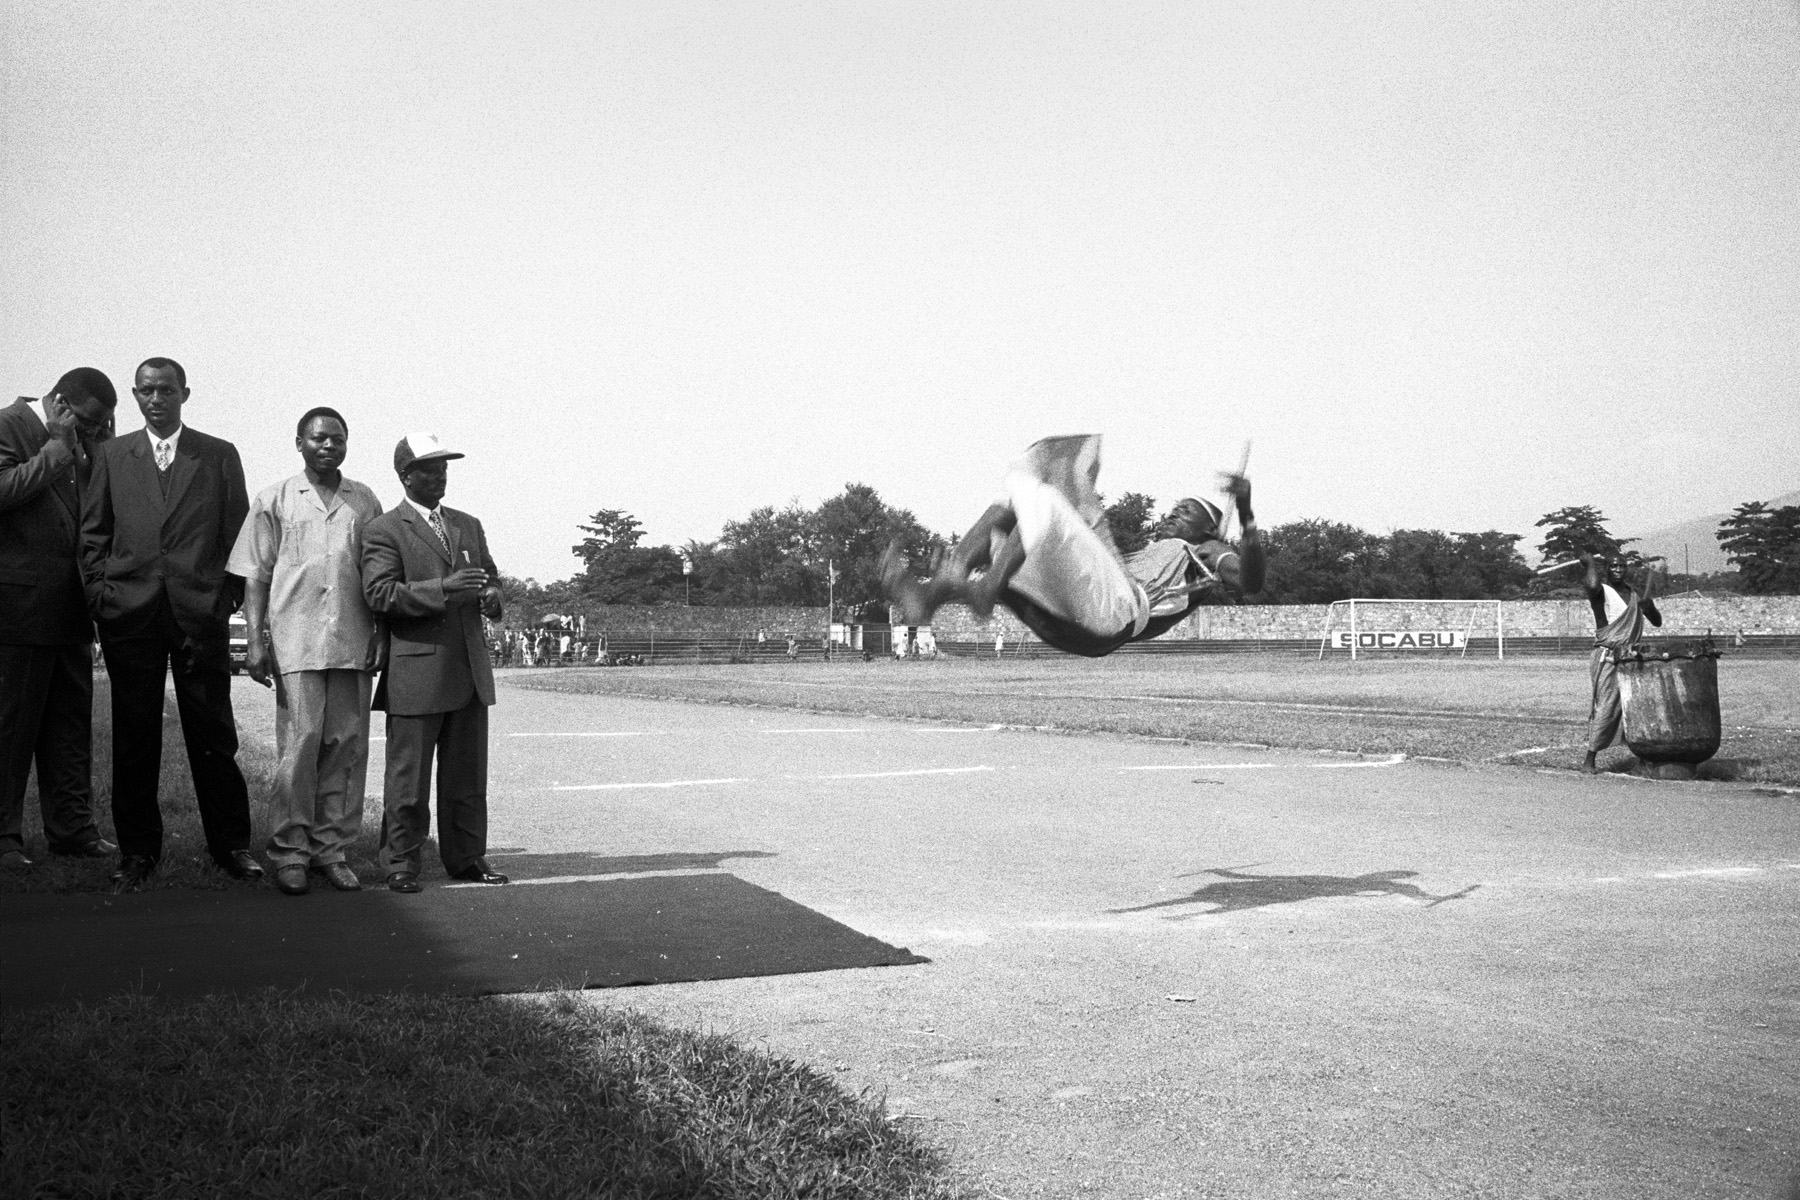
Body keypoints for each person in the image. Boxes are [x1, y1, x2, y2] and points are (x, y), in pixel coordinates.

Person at [81, 357, 259, 888]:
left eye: (166, 390)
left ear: (185, 392)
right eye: (146, 391)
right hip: (129, 614)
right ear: (135, 396)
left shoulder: (218, 455)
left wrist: (221, 601)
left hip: (197, 615)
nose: (156, 399)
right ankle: (137, 852)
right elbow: (93, 534)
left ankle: (231, 845)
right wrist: (102, 596)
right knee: (135, 736)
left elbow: (238, 540)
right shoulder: (112, 455)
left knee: (213, 733)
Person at [883, 434, 1264, 656]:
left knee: (1045, 498)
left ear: (1209, 529)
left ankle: (984, 589)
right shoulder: (1151, 553)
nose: (1170, 517)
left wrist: (1245, 512)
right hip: (1081, 616)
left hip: (1118, 612)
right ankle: (928, 597)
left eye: (1184, 512)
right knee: (1007, 509)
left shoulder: (1202, 553)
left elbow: (1251, 581)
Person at [226, 408, 385, 896]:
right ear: (299, 443)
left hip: (352, 638)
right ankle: (290, 852)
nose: (328, 446)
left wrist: (381, 630)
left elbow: (380, 573)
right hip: (296, 639)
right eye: (318, 439)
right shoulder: (274, 498)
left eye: (337, 438)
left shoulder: (364, 500)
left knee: (345, 746)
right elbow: (255, 573)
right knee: (300, 744)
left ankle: (331, 849)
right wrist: (256, 640)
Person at [361, 433, 507, 893]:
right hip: (417, 671)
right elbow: (380, 595)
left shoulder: (468, 524)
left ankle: (467, 857)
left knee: (467, 778)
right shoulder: (385, 529)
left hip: (468, 672)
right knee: (408, 779)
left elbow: (491, 576)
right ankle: (401, 861)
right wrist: (445, 588)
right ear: (405, 476)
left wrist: (493, 597)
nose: (439, 475)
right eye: (428, 468)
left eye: (444, 467)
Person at [0, 369, 120, 869]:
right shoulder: (9, 425)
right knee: (10, 729)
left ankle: (72, 830)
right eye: (90, 423)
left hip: (73, 609)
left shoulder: (86, 442)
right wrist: (56, 446)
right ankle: (3, 838)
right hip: (19, 612)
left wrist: (100, 452)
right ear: (61, 405)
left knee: (70, 730)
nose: (95, 432)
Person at [1580, 553, 1663, 773]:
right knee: (1606, 706)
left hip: (1630, 657)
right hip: (1607, 656)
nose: (1618, 569)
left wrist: (1650, 607)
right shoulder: (1601, 592)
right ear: (1606, 569)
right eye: (1613, 565)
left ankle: (1642, 754)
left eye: (1621, 565)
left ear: (1627, 569)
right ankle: (1590, 758)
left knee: (1635, 705)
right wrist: (1589, 563)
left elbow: (1657, 622)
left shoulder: (1635, 595)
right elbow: (1591, 584)